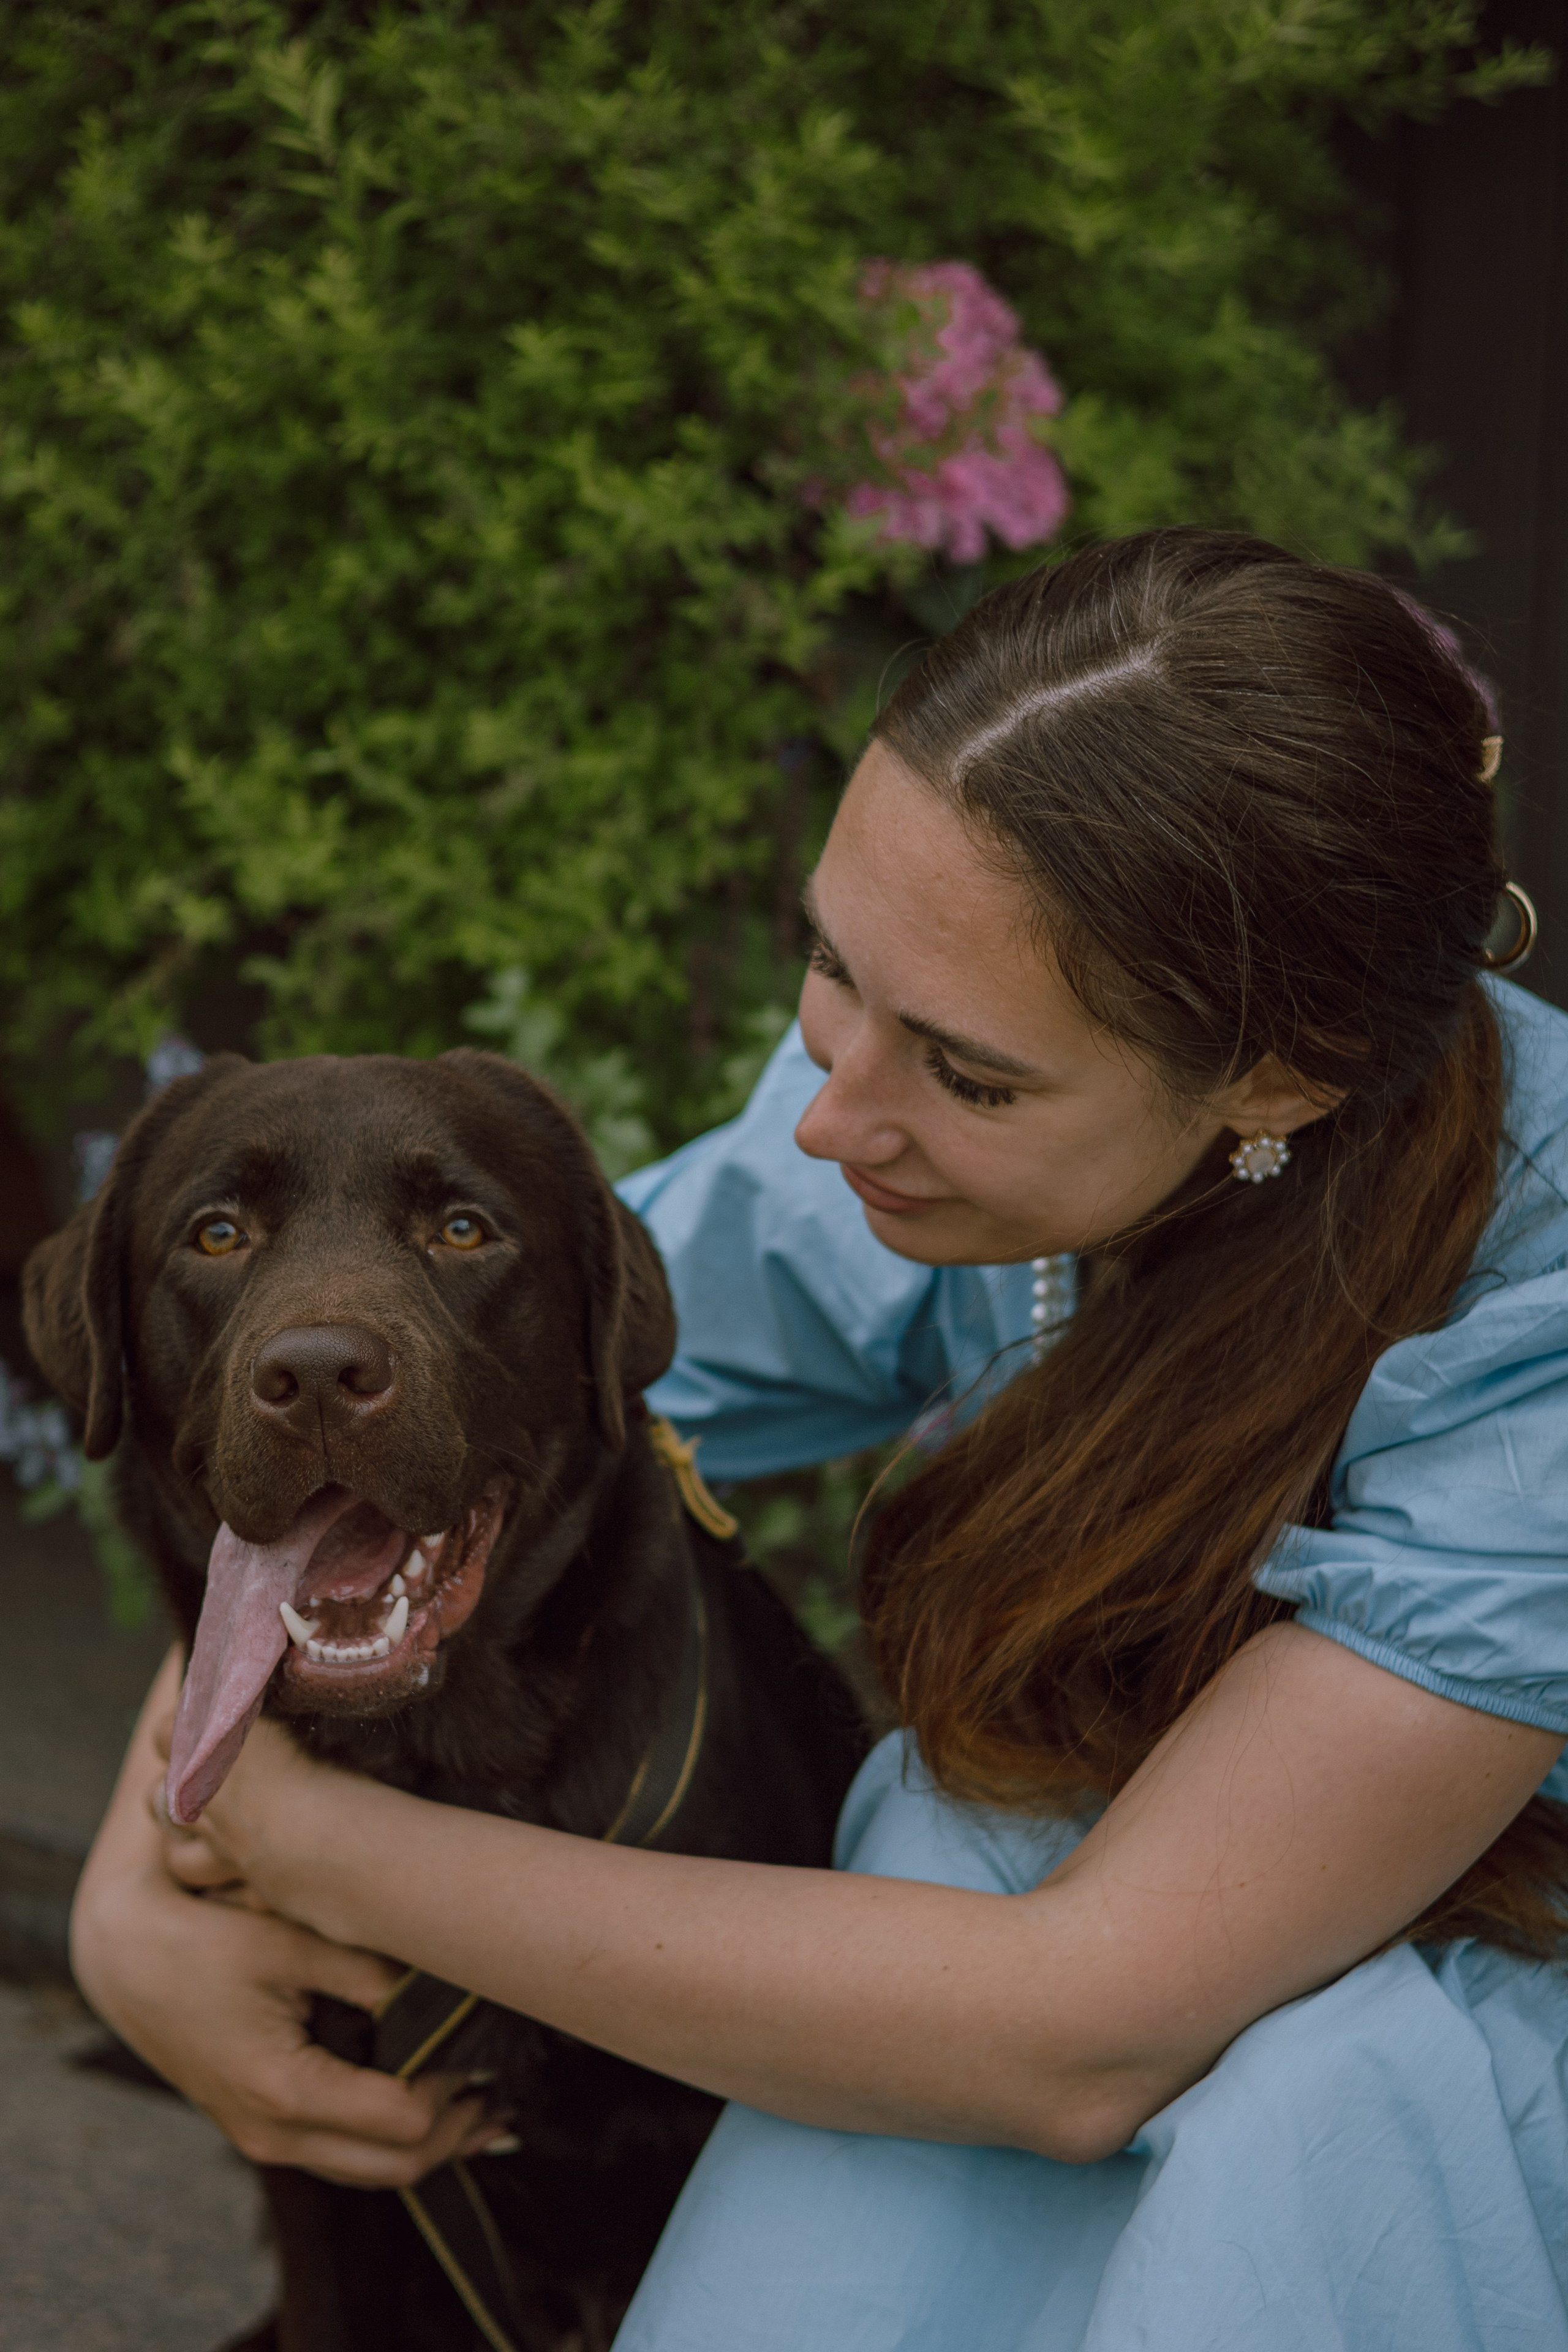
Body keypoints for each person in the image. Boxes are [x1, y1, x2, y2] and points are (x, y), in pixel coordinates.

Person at [74, 531, 1568, 2351]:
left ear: (1278, 1077)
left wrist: (304, 1851)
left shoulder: (1533, 1344)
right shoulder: (894, 1105)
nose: (829, 1117)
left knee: (1305, 2091)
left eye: (971, 1074)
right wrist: (143, 1875)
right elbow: (459, 1412)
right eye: (830, 966)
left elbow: (1079, 2024)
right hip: (1025, 1950)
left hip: (1377, 2043)